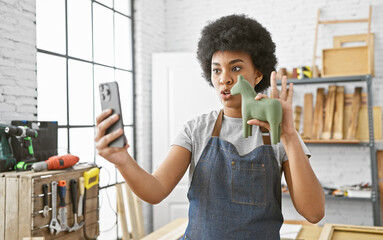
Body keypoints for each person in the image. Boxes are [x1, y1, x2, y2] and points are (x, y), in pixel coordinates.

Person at [95, 14, 324, 239]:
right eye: (217, 70)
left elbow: (313, 213)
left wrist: (289, 136)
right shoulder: (195, 130)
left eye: (235, 68)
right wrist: (123, 161)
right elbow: (155, 191)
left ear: (257, 75)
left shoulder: (280, 133)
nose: (224, 79)